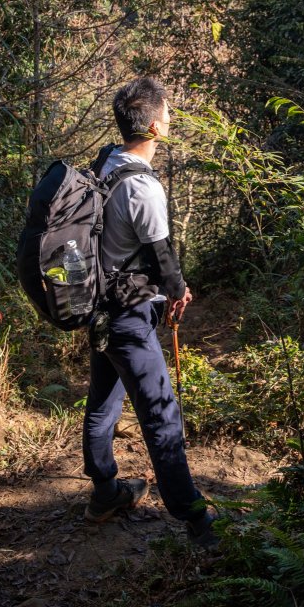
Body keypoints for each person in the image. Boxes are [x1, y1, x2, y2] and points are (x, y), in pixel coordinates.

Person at [82, 76, 215, 546]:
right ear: (156, 128)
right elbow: (163, 258)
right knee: (161, 416)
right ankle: (196, 518)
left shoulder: (105, 163)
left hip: (99, 306)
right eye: (169, 113)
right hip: (127, 318)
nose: (172, 117)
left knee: (102, 404)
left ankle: (104, 494)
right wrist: (178, 291)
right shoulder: (144, 188)